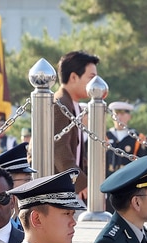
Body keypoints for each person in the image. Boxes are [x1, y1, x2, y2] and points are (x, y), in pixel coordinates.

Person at [55, 50, 99, 195]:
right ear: (74, 77)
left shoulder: (73, 104)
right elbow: (59, 149)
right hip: (56, 188)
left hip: (68, 185)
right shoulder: (60, 104)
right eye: (91, 77)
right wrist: (81, 183)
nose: (96, 82)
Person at [106, 101, 139, 177]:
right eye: (116, 113)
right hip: (108, 177)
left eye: (123, 114)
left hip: (129, 178)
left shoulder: (136, 137)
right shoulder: (106, 135)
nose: (119, 117)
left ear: (129, 116)